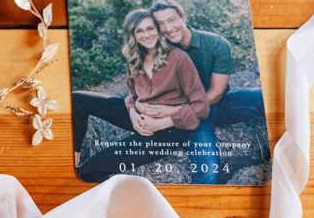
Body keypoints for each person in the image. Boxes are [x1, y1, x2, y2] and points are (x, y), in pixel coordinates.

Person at [73, 9, 222, 184]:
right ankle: (72, 161)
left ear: (158, 31)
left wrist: (161, 123)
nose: (146, 35)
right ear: (133, 35)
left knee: (90, 170)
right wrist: (132, 113)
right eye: (139, 31)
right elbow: (132, 94)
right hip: (141, 117)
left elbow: (201, 106)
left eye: (150, 28)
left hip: (168, 131)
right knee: (77, 99)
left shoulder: (179, 58)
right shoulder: (135, 57)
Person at [149, 0, 267, 132]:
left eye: (171, 20)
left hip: (217, 104)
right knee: (207, 153)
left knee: (265, 97)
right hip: (188, 115)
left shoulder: (216, 44)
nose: (168, 28)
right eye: (160, 24)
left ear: (183, 17)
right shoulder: (158, 52)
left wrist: (179, 110)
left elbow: (216, 93)